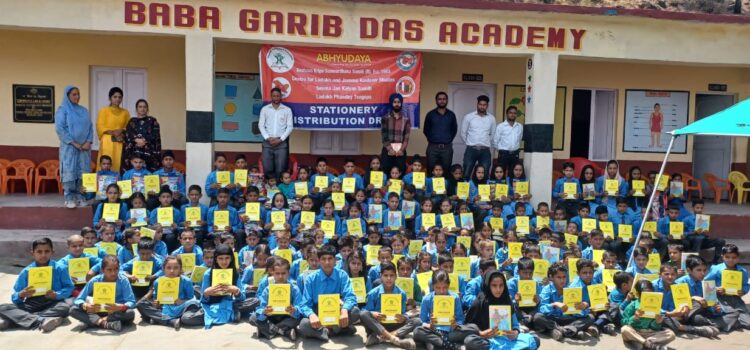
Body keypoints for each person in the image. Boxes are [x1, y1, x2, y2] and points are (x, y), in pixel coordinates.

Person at [0, 238, 73, 332]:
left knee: (64, 308)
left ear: (52, 252)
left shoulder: (60, 268)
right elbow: (15, 296)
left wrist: (57, 295)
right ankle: (41, 320)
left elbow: (69, 287)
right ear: (32, 253)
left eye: (47, 251)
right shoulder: (26, 271)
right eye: (39, 252)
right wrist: (21, 294)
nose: (43, 255)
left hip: (52, 302)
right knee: (3, 307)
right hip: (31, 303)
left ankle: (15, 320)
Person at [298, 245, 360, 341]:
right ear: (319, 260)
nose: (327, 262)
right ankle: (338, 330)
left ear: (335, 260)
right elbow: (305, 304)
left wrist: (344, 310)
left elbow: (350, 296)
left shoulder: (342, 275)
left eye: (330, 259)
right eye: (323, 259)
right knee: (303, 325)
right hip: (318, 311)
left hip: (337, 311)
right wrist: (311, 315)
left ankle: (325, 331)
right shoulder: (311, 278)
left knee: (355, 311)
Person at [464, 270, 540, 350]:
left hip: (507, 339)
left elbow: (515, 324)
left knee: (535, 338)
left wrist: (515, 332)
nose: (498, 289)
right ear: (488, 285)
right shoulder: (480, 302)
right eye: (494, 285)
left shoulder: (507, 299)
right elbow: (468, 326)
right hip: (488, 341)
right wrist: (482, 333)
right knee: (470, 341)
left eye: (501, 285)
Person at [71, 255, 136, 332]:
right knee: (73, 310)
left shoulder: (123, 280)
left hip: (115, 312)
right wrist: (85, 306)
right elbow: (79, 299)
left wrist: (121, 307)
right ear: (102, 270)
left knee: (130, 313)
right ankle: (106, 324)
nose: (113, 273)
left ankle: (94, 322)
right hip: (98, 310)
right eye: (109, 270)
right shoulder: (95, 280)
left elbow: (131, 301)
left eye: (116, 269)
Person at [55, 85, 93, 209]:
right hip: (70, 147)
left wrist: (88, 141)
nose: (77, 97)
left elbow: (90, 127)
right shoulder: (63, 110)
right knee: (69, 171)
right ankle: (69, 197)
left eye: (78, 94)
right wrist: (73, 142)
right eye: (74, 94)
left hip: (84, 148)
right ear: (67, 96)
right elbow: (60, 128)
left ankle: (81, 196)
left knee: (83, 171)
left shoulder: (84, 110)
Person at [620, 279, 676, 350]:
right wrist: (635, 317)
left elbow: (655, 328)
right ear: (638, 294)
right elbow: (623, 322)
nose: (648, 296)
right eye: (645, 294)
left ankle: (644, 343)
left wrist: (657, 322)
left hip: (650, 334)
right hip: (635, 332)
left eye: (650, 293)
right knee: (624, 330)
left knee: (671, 334)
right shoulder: (632, 305)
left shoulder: (655, 306)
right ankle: (648, 345)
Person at [259, 87, 293, 181]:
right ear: (271, 97)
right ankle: (270, 189)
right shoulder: (265, 109)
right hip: (267, 142)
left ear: (281, 97)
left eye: (278, 96)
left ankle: (279, 189)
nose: (276, 97)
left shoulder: (287, 110)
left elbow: (289, 127)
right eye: (274, 96)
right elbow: (261, 125)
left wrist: (280, 139)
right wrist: (267, 138)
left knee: (281, 169)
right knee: (267, 167)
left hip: (281, 143)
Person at [96, 87, 131, 173]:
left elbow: (129, 127)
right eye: (115, 97)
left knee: (119, 163)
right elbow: (100, 126)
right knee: (107, 163)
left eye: (120, 97)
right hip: (107, 142)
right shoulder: (104, 111)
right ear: (110, 98)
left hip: (120, 141)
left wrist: (122, 132)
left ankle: (119, 184)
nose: (117, 99)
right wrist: (113, 132)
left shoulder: (125, 112)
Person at [461, 95, 495, 181]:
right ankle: (465, 193)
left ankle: (483, 193)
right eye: (480, 104)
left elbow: (493, 134)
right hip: (471, 150)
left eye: (484, 105)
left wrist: (485, 143)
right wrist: (470, 143)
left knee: (485, 174)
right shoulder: (468, 117)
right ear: (477, 104)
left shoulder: (491, 118)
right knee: (466, 173)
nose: (482, 106)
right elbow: (463, 133)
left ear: (487, 106)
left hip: (485, 151)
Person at [123, 99, 161, 172]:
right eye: (140, 107)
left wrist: (144, 141)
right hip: (133, 153)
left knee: (148, 177)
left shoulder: (152, 121)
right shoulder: (131, 121)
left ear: (147, 109)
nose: (142, 109)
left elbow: (155, 135)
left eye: (144, 107)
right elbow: (128, 134)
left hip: (149, 154)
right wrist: (135, 140)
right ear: (136, 109)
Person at [423, 91, 457, 173]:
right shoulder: (430, 114)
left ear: (447, 100)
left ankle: (444, 185)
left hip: (447, 148)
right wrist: (433, 139)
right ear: (436, 101)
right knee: (431, 169)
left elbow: (454, 130)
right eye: (440, 99)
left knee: (446, 170)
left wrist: (447, 139)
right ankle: (431, 186)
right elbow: (426, 130)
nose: (442, 101)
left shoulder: (451, 115)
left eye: (444, 99)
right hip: (432, 147)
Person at [381, 93, 412, 175]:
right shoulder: (385, 118)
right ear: (391, 103)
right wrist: (390, 149)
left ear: (401, 103)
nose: (397, 104)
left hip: (401, 152)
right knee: (386, 172)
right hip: (387, 151)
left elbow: (406, 137)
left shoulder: (406, 119)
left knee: (400, 172)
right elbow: (384, 136)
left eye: (399, 102)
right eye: (395, 102)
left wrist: (402, 150)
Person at [493, 106, 523, 175]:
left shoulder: (519, 126)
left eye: (514, 113)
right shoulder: (501, 126)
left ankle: (511, 186)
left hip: (515, 154)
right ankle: (501, 186)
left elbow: (519, 139)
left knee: (513, 174)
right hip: (503, 154)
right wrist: (501, 150)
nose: (512, 114)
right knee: (500, 174)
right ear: (507, 114)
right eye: (510, 113)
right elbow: (495, 141)